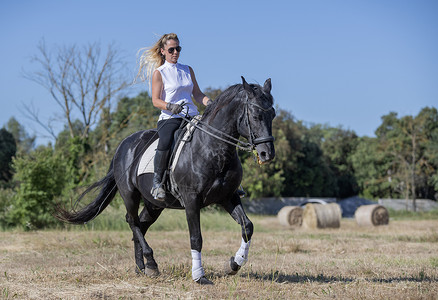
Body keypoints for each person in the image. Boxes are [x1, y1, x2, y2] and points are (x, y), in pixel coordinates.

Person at [136, 33, 212, 201]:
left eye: (178, 49)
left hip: (191, 115)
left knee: (213, 137)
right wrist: (171, 106)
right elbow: (156, 101)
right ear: (163, 51)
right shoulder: (159, 73)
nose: (175, 52)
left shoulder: (187, 70)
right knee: (165, 141)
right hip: (170, 118)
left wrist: (209, 102)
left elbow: (197, 94)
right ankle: (158, 183)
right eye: (171, 49)